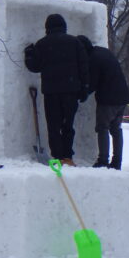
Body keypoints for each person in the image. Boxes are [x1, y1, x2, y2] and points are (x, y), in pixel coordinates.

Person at [24, 14, 89, 166]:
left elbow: (35, 67)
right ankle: (67, 156)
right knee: (68, 125)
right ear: (64, 26)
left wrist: (29, 53)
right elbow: (84, 67)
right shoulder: (75, 42)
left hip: (51, 92)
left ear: (47, 28)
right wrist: (84, 87)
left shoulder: (42, 44)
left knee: (53, 126)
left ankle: (57, 156)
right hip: (71, 91)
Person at [77, 35, 129, 170]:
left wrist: (81, 94)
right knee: (116, 129)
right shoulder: (102, 52)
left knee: (103, 128)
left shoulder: (93, 59)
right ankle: (117, 162)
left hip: (108, 100)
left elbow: (92, 83)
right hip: (123, 97)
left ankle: (103, 161)